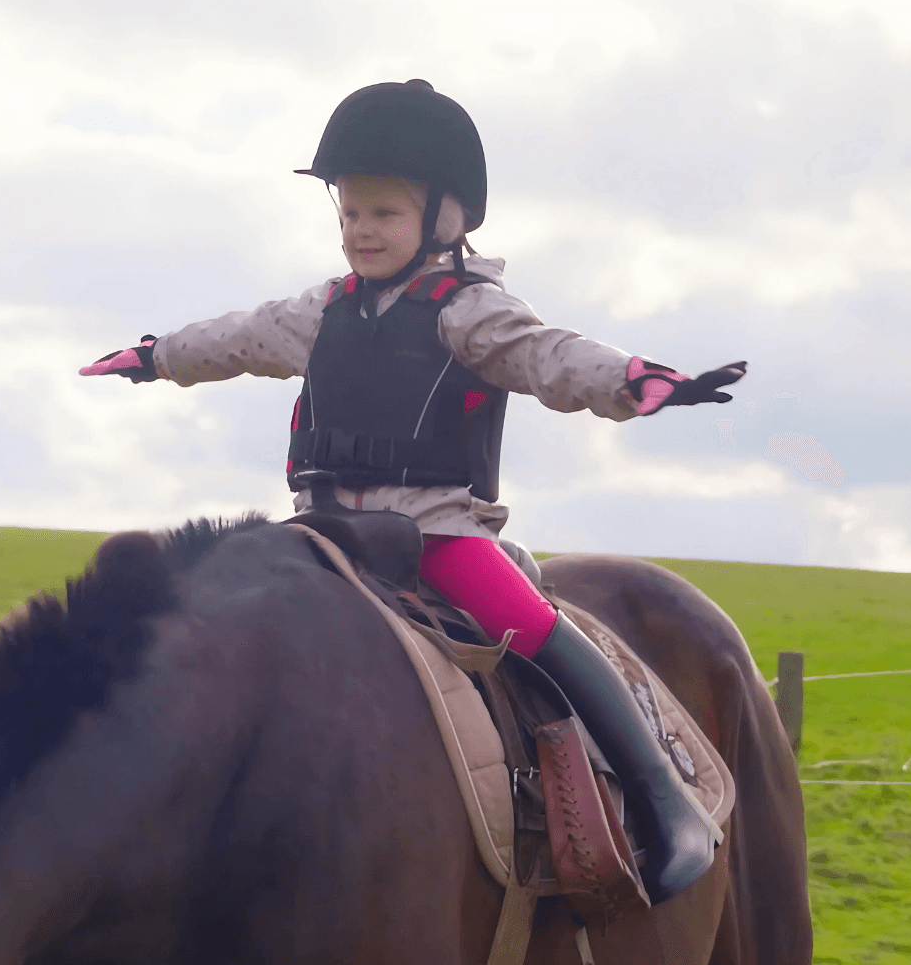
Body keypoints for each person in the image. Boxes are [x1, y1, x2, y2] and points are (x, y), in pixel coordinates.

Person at [80, 79, 745, 903]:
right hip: (318, 530)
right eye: (349, 215)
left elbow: (549, 355)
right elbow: (239, 337)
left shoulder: (468, 312)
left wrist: (631, 380)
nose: (361, 231)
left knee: (529, 625)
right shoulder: (322, 310)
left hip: (435, 532)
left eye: (383, 214)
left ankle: (663, 799)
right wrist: (157, 355)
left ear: (447, 220)